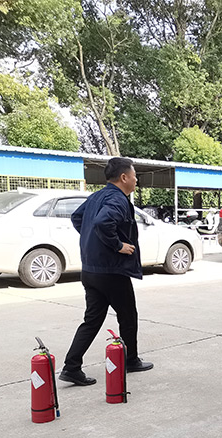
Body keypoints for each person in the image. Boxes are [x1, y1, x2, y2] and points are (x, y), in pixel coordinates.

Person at [60, 157, 153, 385]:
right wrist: (117, 245)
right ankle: (130, 360)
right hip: (112, 271)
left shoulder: (96, 196)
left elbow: (77, 217)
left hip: (91, 270)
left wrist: (94, 242)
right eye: (134, 176)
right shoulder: (117, 199)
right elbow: (103, 223)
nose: (136, 180)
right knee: (128, 316)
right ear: (124, 177)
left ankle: (71, 367)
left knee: (92, 320)